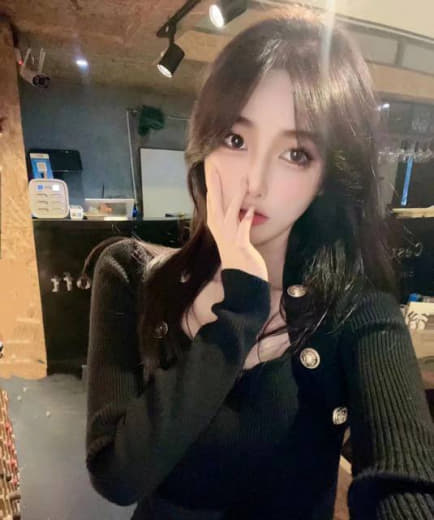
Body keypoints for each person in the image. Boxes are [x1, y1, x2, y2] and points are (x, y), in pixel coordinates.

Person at [84, 6, 434, 519]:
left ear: (325, 178)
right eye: (236, 139)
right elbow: (117, 474)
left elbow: (403, 484)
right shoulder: (132, 275)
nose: (256, 182)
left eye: (296, 154)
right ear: (205, 145)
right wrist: (239, 312)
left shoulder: (355, 313)